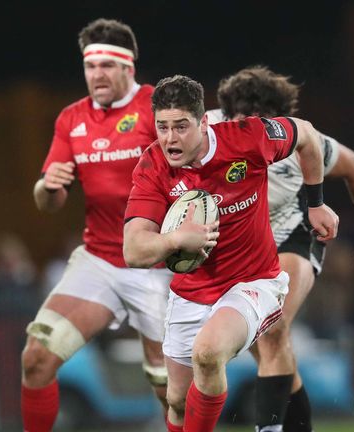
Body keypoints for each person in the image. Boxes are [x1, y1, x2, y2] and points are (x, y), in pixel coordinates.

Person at [123, 74, 340, 432]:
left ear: (204, 121)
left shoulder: (248, 138)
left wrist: (315, 203)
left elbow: (307, 135)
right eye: (162, 127)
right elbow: (134, 249)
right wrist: (178, 239)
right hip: (191, 291)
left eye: (180, 126)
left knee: (208, 354)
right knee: (176, 400)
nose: (170, 138)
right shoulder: (153, 166)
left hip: (255, 282)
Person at [209, 66, 354, 432]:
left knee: (271, 328)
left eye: (256, 124)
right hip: (239, 246)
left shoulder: (299, 139)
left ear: (276, 120)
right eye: (237, 121)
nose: (246, 133)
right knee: (263, 346)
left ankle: (270, 429)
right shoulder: (205, 131)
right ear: (226, 115)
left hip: (291, 235)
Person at [21, 18, 173, 431]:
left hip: (159, 267)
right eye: (91, 66)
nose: (97, 75)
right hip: (101, 261)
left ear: (129, 67)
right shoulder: (72, 119)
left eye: (107, 65)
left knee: (168, 385)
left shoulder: (159, 109)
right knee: (37, 358)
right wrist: (47, 187)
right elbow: (48, 202)